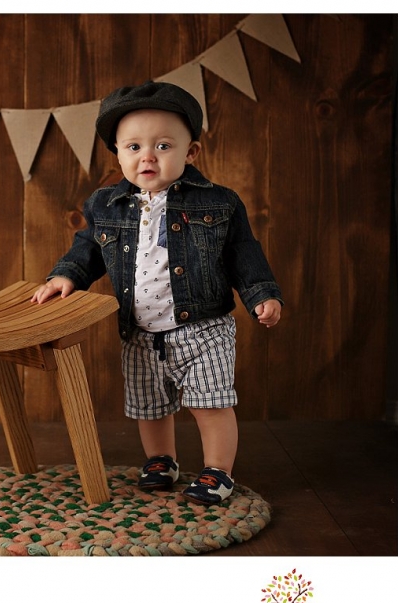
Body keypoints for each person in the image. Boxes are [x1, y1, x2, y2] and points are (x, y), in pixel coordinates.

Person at [32, 81, 283, 505]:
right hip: (140, 332)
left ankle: (218, 471)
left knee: (211, 402)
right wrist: (66, 275)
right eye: (134, 147)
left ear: (191, 152)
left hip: (204, 329)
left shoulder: (218, 204)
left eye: (163, 146)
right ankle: (161, 460)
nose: (147, 156)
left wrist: (261, 294)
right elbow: (88, 248)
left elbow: (244, 252)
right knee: (150, 404)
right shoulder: (106, 206)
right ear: (117, 153)